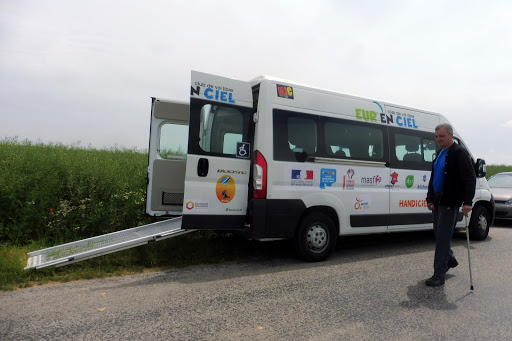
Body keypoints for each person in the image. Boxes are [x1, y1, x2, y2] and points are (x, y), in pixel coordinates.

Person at [425, 123, 476, 287]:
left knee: (442, 239)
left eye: (441, 136)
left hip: (450, 202)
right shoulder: (440, 153)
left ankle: (439, 274)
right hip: (438, 201)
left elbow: (470, 178)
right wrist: (430, 198)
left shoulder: (459, 153)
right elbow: (434, 178)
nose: (438, 139)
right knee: (439, 235)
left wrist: (468, 202)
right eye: (436, 136)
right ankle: (451, 259)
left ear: (450, 135)